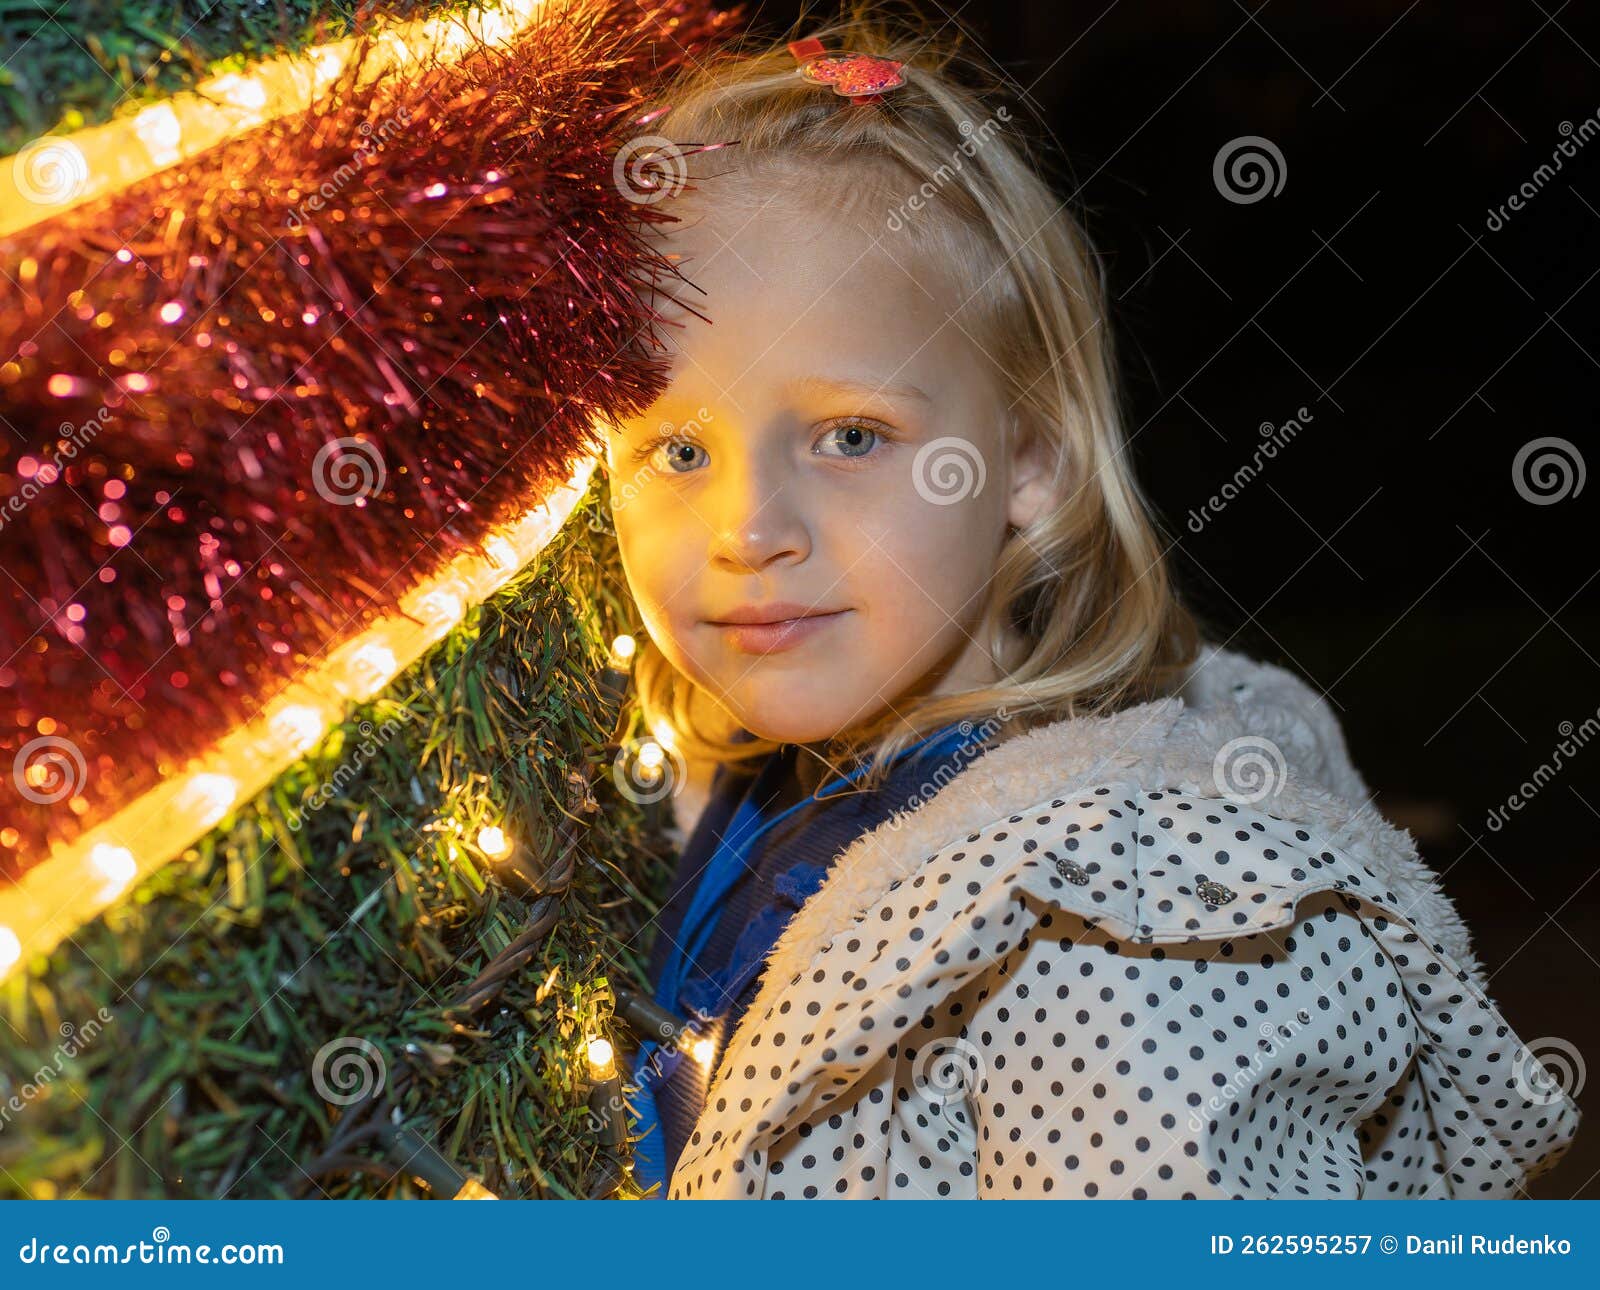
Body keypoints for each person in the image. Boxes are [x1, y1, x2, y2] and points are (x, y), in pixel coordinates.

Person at [598, 3, 1581, 1198]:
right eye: (676, 452)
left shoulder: (1120, 933)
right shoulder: (718, 790)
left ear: (1031, 460)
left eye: (851, 435)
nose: (749, 530)